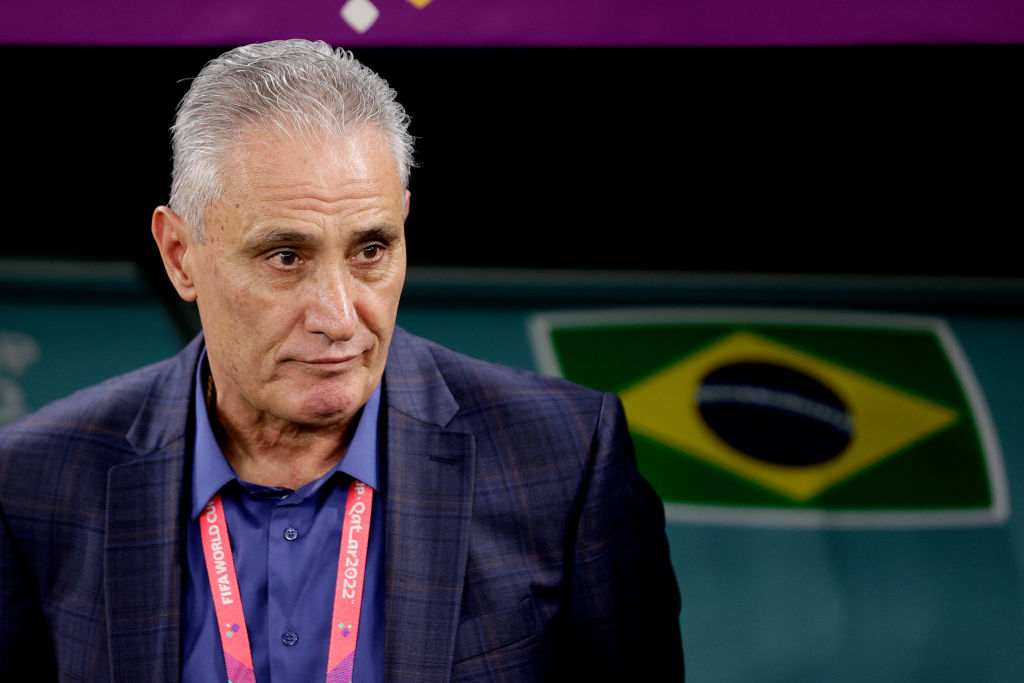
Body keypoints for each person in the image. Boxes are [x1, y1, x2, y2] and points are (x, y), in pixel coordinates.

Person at [0, 39, 683, 681]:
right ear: (180, 256)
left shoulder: (566, 460)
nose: (339, 317)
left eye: (370, 250)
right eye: (285, 257)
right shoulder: (31, 484)